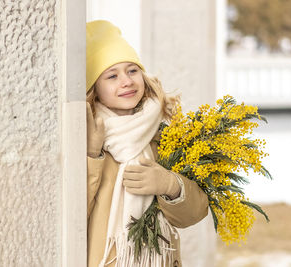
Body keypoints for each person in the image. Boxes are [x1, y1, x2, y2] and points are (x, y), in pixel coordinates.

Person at [86, 20, 209, 267]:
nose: (127, 81)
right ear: (95, 89)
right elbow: (71, 211)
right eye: (112, 75)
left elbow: (194, 213)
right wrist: (91, 153)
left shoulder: (164, 134)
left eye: (132, 70)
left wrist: (170, 185)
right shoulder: (89, 136)